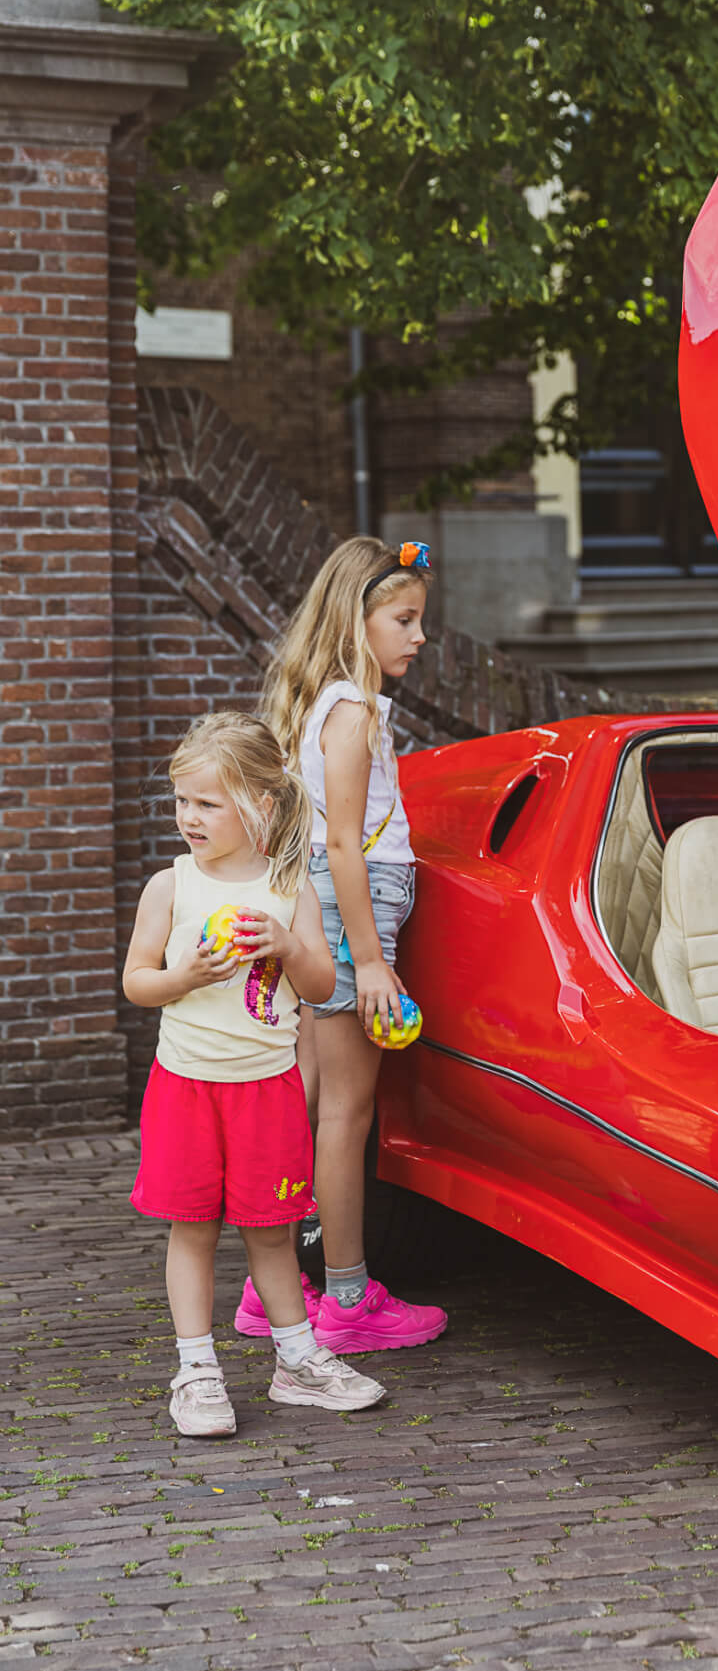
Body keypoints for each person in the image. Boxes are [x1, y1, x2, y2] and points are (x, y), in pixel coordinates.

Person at [124, 711, 386, 1437]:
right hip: (185, 1088)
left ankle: (296, 1361)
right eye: (183, 800)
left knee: (273, 1232)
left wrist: (285, 944)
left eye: (208, 803)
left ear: (261, 804)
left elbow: (320, 985)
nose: (189, 817)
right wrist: (182, 977)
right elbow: (137, 982)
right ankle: (196, 1370)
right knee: (193, 1230)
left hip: (267, 1090)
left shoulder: (288, 889)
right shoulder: (170, 886)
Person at [243, 535, 448, 1354]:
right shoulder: (353, 713)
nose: (419, 637)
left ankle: (270, 1293)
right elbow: (342, 846)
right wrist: (369, 959)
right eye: (404, 619)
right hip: (346, 918)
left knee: (304, 1101)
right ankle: (349, 1300)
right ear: (355, 619)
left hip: (315, 911)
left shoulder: (315, 703)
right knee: (345, 1114)